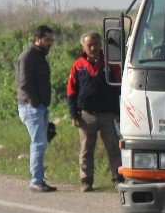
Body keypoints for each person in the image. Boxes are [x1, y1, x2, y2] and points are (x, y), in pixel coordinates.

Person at [67, 32, 122, 192]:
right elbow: (71, 91)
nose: (93, 47)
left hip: (108, 115)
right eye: (89, 44)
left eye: (96, 44)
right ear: (83, 46)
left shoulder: (111, 65)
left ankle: (118, 178)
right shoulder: (78, 65)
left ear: (101, 45)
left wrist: (119, 113)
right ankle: (86, 180)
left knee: (113, 147)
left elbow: (119, 88)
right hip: (86, 115)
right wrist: (73, 114)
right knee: (86, 149)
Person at [16, 25, 57, 192]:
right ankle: (36, 180)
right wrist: (35, 103)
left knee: (41, 142)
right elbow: (24, 84)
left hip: (39, 106)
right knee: (38, 143)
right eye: (47, 40)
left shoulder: (39, 56)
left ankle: (39, 178)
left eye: (51, 40)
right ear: (37, 39)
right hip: (31, 106)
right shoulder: (28, 56)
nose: (50, 43)